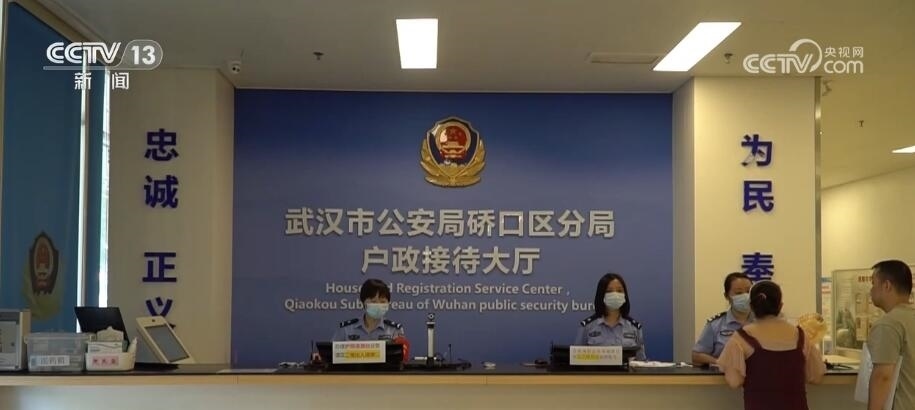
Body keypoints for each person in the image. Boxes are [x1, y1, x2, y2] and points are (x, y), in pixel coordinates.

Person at [717, 280, 825, 410]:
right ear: (780, 306)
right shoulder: (801, 336)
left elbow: (734, 381)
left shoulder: (741, 337)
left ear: (751, 306)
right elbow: (816, 377)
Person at [866, 260, 914, 410]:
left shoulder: (888, 325)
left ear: (887, 286)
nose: (871, 290)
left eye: (873, 284)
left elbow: (883, 376)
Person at [575, 272, 646, 361]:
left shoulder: (634, 327)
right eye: (609, 291)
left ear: (625, 295)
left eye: (619, 291)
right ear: (601, 295)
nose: (615, 294)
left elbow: (640, 363)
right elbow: (576, 360)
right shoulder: (587, 326)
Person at [692, 272, 754, 366]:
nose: (745, 296)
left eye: (748, 292)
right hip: (724, 374)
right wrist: (719, 362)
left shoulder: (762, 322)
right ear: (727, 296)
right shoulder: (715, 324)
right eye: (739, 293)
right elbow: (696, 355)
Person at [332, 278, 405, 342]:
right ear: (363, 302)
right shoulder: (346, 329)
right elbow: (333, 351)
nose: (378, 305)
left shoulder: (394, 329)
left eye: (382, 302)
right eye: (373, 301)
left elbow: (400, 352)